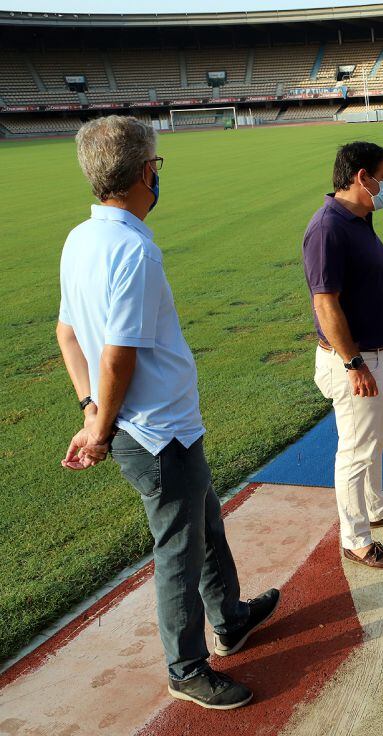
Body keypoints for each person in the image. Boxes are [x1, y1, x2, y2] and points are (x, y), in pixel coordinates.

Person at [57, 116, 278, 710]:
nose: (158, 176)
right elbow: (116, 356)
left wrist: (88, 409)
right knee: (179, 549)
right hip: (154, 433)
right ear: (141, 174)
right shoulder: (132, 250)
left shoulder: (80, 239)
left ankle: (229, 617)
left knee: (206, 523)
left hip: (161, 426)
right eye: (156, 166)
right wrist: (98, 431)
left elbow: (67, 334)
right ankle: (186, 668)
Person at [302, 141, 383, 572]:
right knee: (355, 451)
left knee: (374, 442)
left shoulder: (358, 217)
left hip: (376, 354)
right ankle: (356, 540)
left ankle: (376, 509)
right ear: (362, 177)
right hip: (354, 361)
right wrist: (353, 363)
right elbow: (325, 304)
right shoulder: (328, 228)